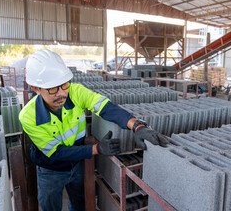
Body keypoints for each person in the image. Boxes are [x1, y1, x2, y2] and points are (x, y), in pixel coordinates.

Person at [19, 50, 168, 211]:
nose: (61, 93)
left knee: (79, 203)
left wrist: (137, 126)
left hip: (78, 164)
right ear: (36, 88)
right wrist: (96, 149)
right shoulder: (28, 117)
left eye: (64, 85)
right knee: (50, 206)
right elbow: (57, 153)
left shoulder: (75, 92)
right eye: (53, 89)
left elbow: (105, 107)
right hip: (50, 170)